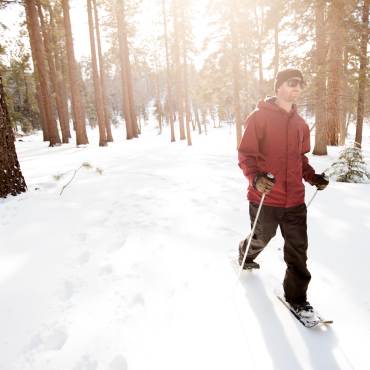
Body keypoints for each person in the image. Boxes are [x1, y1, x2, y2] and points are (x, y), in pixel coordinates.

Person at [237, 68, 329, 317]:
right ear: (278, 87)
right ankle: (246, 252)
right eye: (291, 83)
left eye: (300, 84)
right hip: (266, 197)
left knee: (298, 249)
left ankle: (297, 298)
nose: (297, 87)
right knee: (261, 237)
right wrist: (255, 179)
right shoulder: (259, 118)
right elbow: (246, 155)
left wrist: (312, 177)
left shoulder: (300, 124)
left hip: (295, 200)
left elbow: (300, 158)